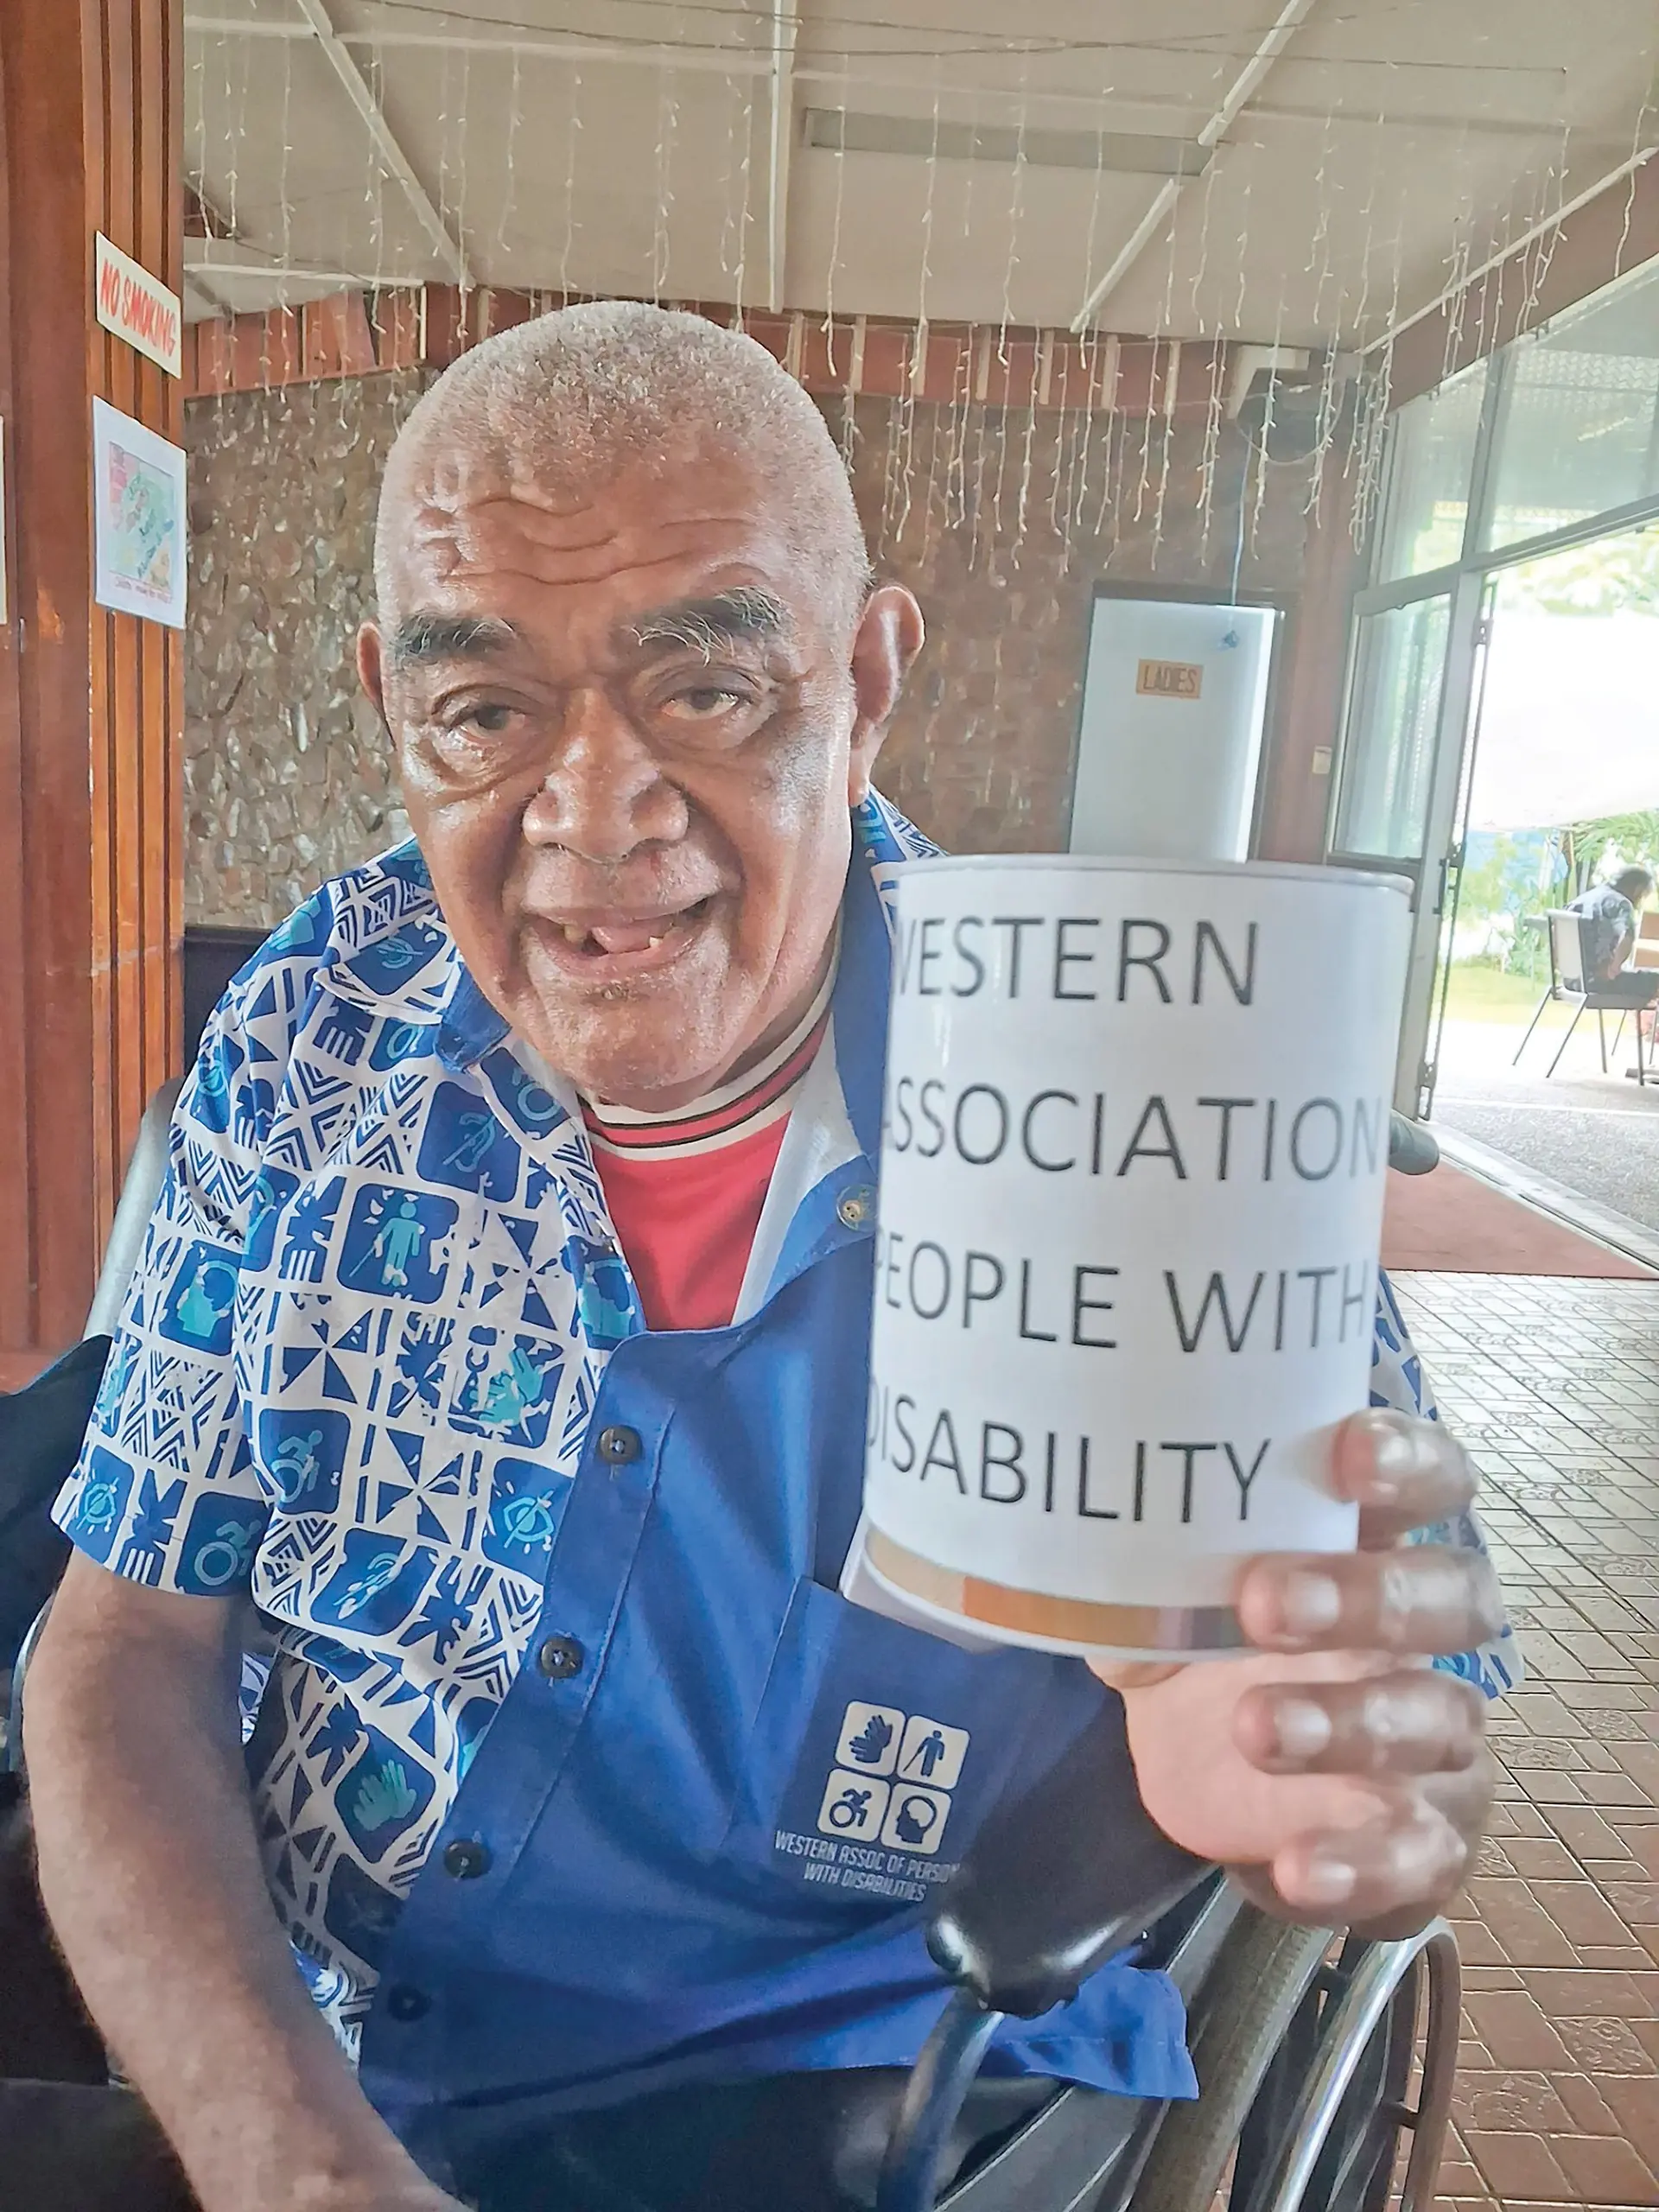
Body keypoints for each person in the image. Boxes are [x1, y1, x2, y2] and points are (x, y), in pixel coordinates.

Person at [24, 304, 1511, 2212]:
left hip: (841, 2085)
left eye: (708, 691)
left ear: (868, 674)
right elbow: (124, 1635)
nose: (594, 814)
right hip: (303, 2054)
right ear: (391, 705)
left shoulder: (1123, 1075)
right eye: (482, 711)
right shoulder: (322, 1018)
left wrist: (1325, 1739)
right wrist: (287, 2152)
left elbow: (1371, 1675)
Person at [1567, 865, 1656, 996]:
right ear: (1637, 890)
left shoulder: (1584, 898)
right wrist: (1614, 969)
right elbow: (1627, 935)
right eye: (1643, 895)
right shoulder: (1621, 904)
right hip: (1597, 982)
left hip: (1571, 980)